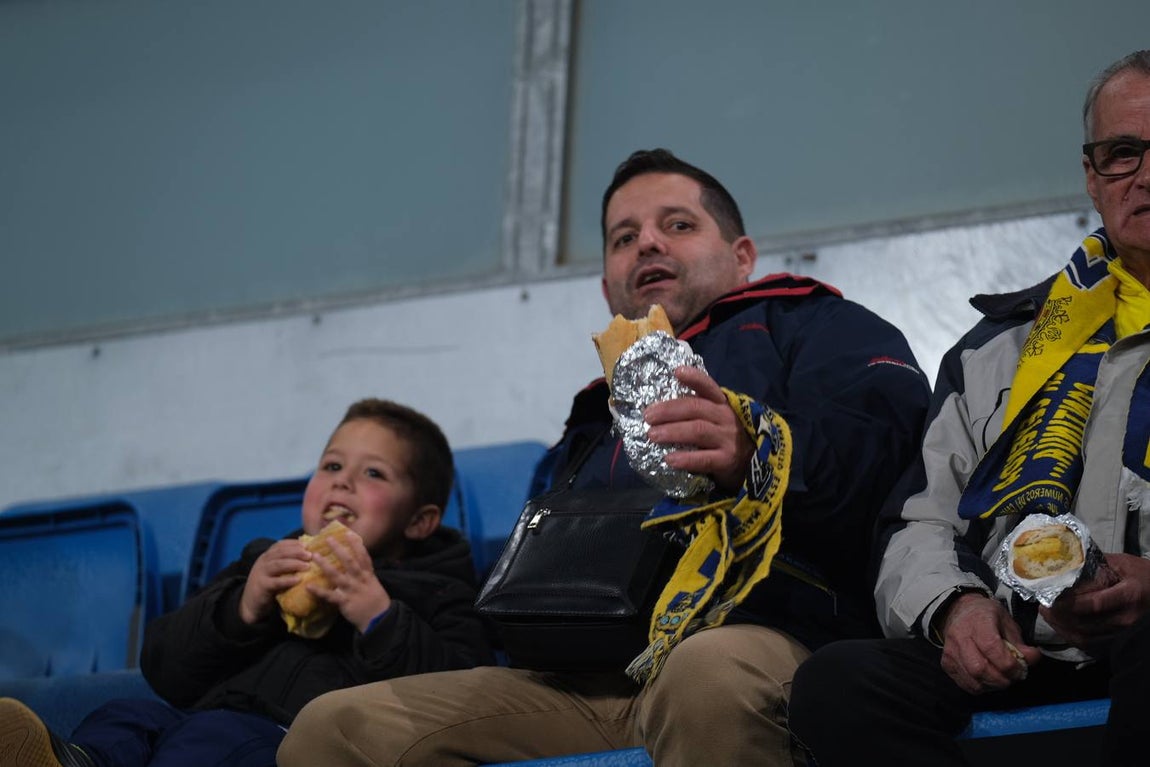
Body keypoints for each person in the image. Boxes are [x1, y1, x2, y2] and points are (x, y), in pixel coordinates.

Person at [276, 148, 931, 767]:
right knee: (330, 730)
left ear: (742, 256)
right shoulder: (593, 414)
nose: (646, 242)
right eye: (624, 237)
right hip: (583, 680)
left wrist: (754, 454)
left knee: (705, 674)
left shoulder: (814, 326)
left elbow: (892, 465)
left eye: (677, 224)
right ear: (607, 284)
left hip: (767, 640)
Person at [788, 50, 1150, 767]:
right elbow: (917, 519)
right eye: (1122, 153)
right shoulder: (997, 348)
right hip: (1027, 649)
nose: (1145, 174)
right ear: (1091, 177)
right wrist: (956, 607)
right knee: (836, 683)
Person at [0, 398, 494, 767]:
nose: (342, 482)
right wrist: (243, 606)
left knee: (210, 740)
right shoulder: (263, 564)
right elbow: (164, 665)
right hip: (201, 719)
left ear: (420, 522)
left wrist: (377, 616)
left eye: (374, 473)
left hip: (292, 745)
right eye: (332, 465)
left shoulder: (439, 592)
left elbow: (461, 698)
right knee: (128, 716)